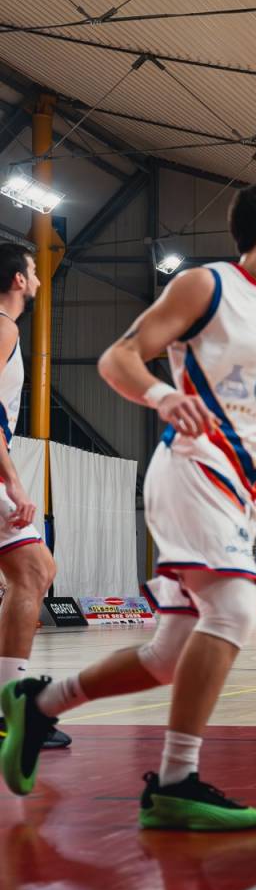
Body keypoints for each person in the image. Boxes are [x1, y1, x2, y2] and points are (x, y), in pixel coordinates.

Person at [0, 183, 256, 830]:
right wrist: (161, 396)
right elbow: (119, 357)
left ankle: (38, 705)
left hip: (247, 485)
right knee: (236, 605)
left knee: (168, 656)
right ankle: (176, 782)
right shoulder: (206, 287)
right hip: (191, 469)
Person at [0, 244, 69, 754]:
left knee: (34, 571)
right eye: (33, 271)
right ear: (18, 280)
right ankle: (12, 710)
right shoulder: (3, 326)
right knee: (33, 572)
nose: (40, 280)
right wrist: (14, 482)